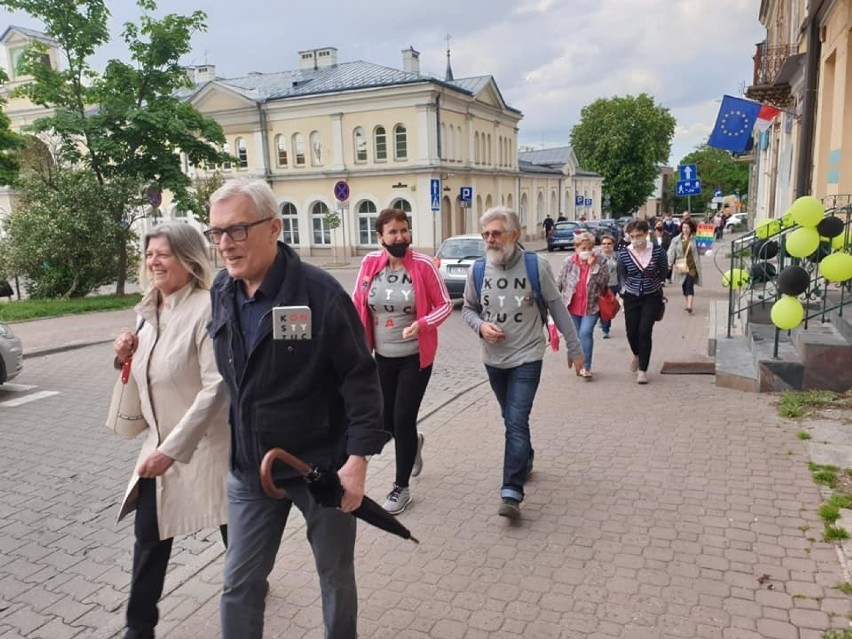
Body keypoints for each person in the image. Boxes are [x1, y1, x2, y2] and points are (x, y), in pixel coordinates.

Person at [206, 179, 388, 639]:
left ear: (274, 228)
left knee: (334, 576)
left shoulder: (320, 294)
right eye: (217, 233)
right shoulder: (222, 291)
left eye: (238, 230)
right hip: (252, 468)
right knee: (238, 584)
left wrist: (357, 462)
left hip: (320, 466)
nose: (226, 244)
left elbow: (360, 378)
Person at [112, 224, 230, 639]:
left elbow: (217, 387)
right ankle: (138, 628)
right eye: (149, 254)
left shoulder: (207, 308)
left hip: (208, 446)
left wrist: (174, 449)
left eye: (163, 254)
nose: (153, 262)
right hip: (158, 445)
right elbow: (149, 371)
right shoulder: (148, 310)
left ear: (188, 259)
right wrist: (124, 353)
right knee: (148, 537)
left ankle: (251, 582)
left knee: (234, 531)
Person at [462, 207, 584, 521]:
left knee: (516, 420)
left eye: (496, 233)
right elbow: (469, 309)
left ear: (514, 235)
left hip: (528, 356)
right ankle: (525, 458)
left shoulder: (535, 266)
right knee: (511, 418)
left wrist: (575, 347)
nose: (490, 239)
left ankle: (511, 492)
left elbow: (557, 307)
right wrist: (481, 327)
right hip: (493, 360)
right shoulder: (478, 270)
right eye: (486, 234)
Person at [352, 208, 452, 514]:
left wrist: (422, 325)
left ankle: (401, 487)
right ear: (380, 236)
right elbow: (357, 304)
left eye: (404, 230)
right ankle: (414, 444)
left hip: (415, 358)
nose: (400, 237)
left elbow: (445, 305)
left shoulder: (422, 265)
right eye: (393, 232)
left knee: (403, 417)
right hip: (382, 357)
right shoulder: (370, 264)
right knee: (388, 421)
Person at [617, 219, 668, 385]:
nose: (635, 239)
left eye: (639, 235)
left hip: (651, 296)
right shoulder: (624, 253)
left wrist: (655, 283)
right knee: (631, 332)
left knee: (644, 331)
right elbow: (622, 274)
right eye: (632, 236)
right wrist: (624, 290)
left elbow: (663, 271)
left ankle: (643, 370)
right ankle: (637, 355)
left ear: (646, 234)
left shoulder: (658, 251)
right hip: (631, 296)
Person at [556, 231, 609, 380]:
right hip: (571, 306)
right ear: (576, 248)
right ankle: (576, 359)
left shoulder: (600, 260)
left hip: (591, 306)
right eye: (582, 248)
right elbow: (559, 282)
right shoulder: (569, 262)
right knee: (576, 337)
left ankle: (586, 366)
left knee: (585, 333)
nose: (585, 252)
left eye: (588, 248)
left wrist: (594, 267)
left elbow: (604, 283)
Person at [668, 218, 703, 314]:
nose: (685, 229)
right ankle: (687, 303)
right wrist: (670, 263)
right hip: (681, 266)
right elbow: (671, 252)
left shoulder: (696, 239)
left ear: (691, 229)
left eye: (687, 228)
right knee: (684, 286)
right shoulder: (676, 240)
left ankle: (689, 306)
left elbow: (701, 249)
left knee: (689, 285)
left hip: (692, 266)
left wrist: (706, 249)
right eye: (684, 228)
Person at [595, 233, 619, 338]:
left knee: (608, 307)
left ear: (613, 244)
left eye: (609, 244)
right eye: (604, 244)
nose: (606, 246)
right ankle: (603, 323)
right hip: (599, 286)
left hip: (613, 284)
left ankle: (606, 327)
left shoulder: (617, 256)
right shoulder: (597, 257)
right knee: (601, 307)